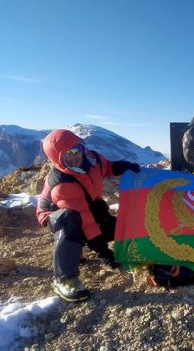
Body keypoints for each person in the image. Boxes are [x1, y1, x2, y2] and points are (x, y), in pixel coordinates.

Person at [36, 129, 140, 302]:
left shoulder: (92, 159)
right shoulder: (62, 184)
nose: (74, 156)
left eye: (76, 150)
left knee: (112, 221)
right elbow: (86, 221)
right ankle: (64, 279)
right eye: (67, 155)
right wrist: (104, 254)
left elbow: (107, 167)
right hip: (55, 214)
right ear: (58, 160)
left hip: (84, 206)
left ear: (82, 147)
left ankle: (78, 246)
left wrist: (124, 166)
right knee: (70, 220)